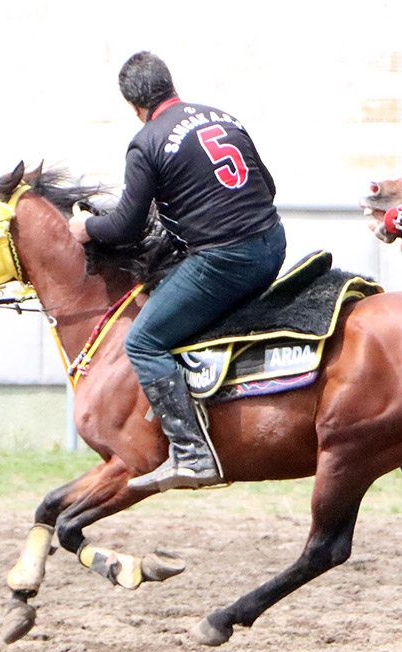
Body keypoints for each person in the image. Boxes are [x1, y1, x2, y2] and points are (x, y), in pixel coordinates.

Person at [69, 51, 286, 492]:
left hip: (226, 262)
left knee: (144, 340)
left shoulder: (146, 141)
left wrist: (85, 228)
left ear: (133, 106)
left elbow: (125, 225)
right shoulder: (222, 117)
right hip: (273, 245)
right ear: (170, 84)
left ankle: (191, 452)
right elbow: (269, 186)